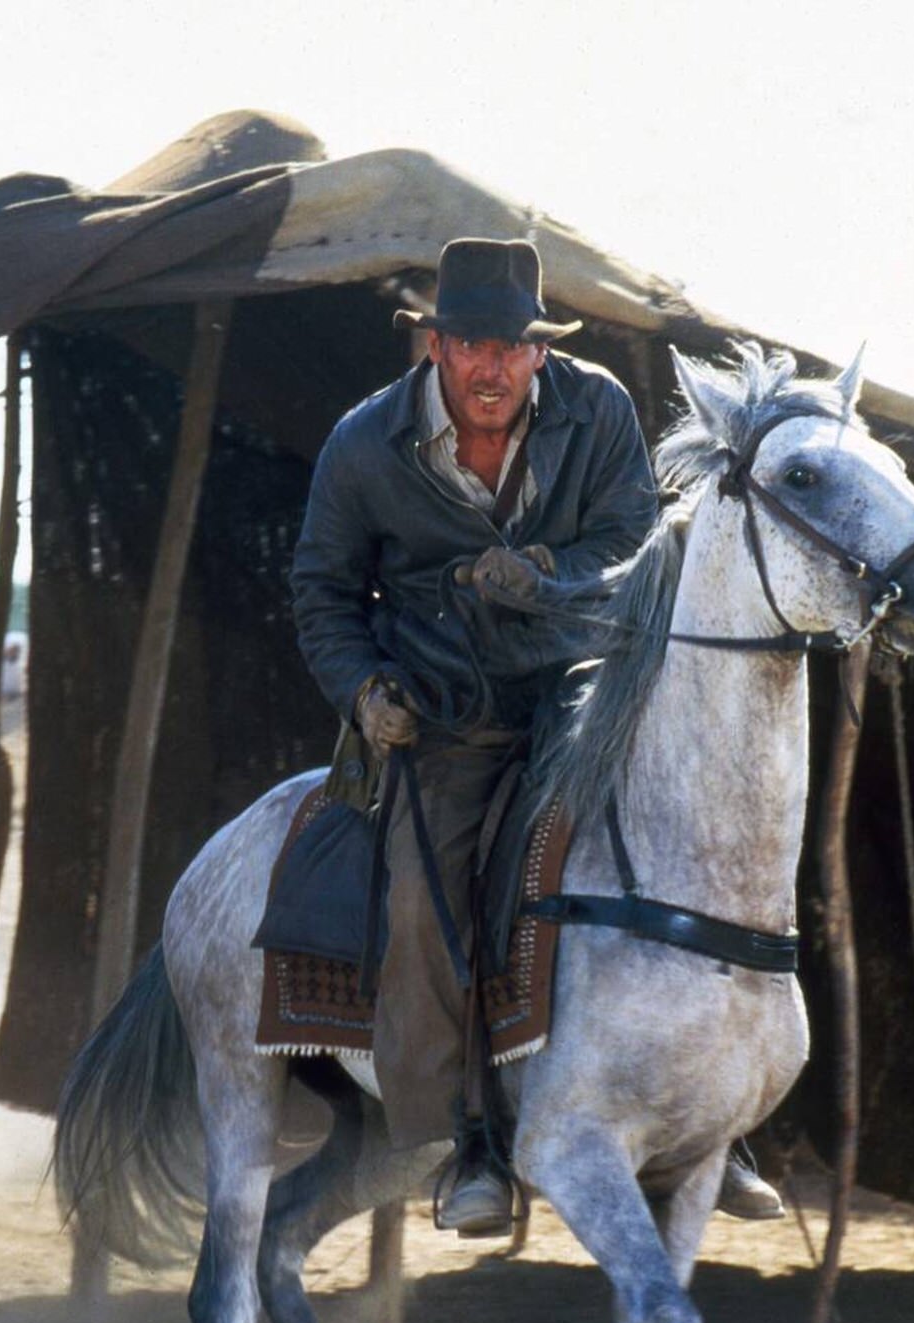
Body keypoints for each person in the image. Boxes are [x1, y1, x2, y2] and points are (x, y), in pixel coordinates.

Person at [290, 236, 783, 1235]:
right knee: (430, 898)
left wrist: (549, 576)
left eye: (512, 349)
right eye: (470, 344)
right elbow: (324, 593)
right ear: (433, 345)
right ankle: (466, 1136)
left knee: (697, 833)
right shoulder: (363, 442)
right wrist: (365, 690)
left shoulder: (596, 408)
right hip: (446, 710)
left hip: (583, 684)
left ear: (540, 353)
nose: (492, 368)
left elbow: (638, 544)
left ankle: (713, 1125)